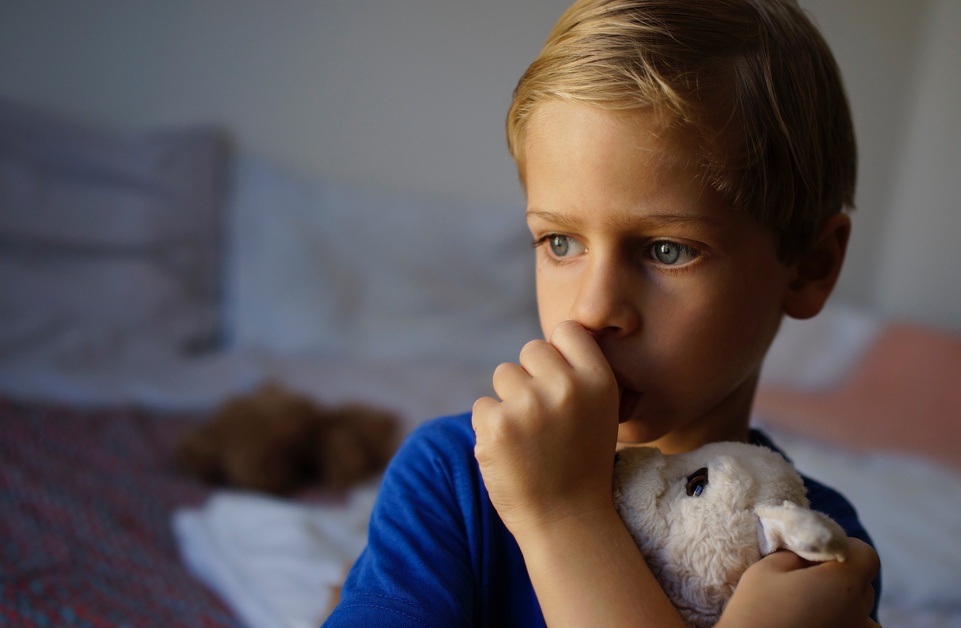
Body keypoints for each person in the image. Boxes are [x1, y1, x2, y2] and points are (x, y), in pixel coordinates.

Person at [324, 0, 880, 625]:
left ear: (808, 268)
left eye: (668, 250)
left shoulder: (812, 545)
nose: (592, 311)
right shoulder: (456, 477)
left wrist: (566, 519)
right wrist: (557, 511)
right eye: (560, 242)